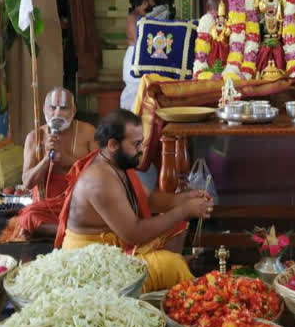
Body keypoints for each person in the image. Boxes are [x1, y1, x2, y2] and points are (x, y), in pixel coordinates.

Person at [55, 109, 214, 292]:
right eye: (136, 144)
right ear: (113, 144)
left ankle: (165, 281)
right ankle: (185, 289)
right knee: (171, 265)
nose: (141, 149)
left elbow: (149, 198)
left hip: (114, 248)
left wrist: (186, 198)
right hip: (91, 265)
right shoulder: (100, 179)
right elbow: (134, 233)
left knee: (177, 227)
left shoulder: (117, 164)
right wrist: (184, 210)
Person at [0, 87, 96, 242]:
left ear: (74, 110)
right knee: (29, 217)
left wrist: (66, 159)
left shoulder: (89, 132)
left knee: (95, 210)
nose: (57, 113)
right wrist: (46, 159)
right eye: (52, 107)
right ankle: (73, 232)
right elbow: (28, 182)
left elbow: (99, 174)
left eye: (64, 108)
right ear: (44, 109)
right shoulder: (35, 137)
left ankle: (67, 231)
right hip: (45, 208)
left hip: (77, 203)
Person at [121, 0, 150, 111]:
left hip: (138, 54)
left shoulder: (139, 16)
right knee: (133, 87)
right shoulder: (133, 17)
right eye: (148, 1)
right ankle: (128, 118)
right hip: (134, 54)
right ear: (143, 2)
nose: (149, 5)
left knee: (140, 89)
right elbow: (137, 39)